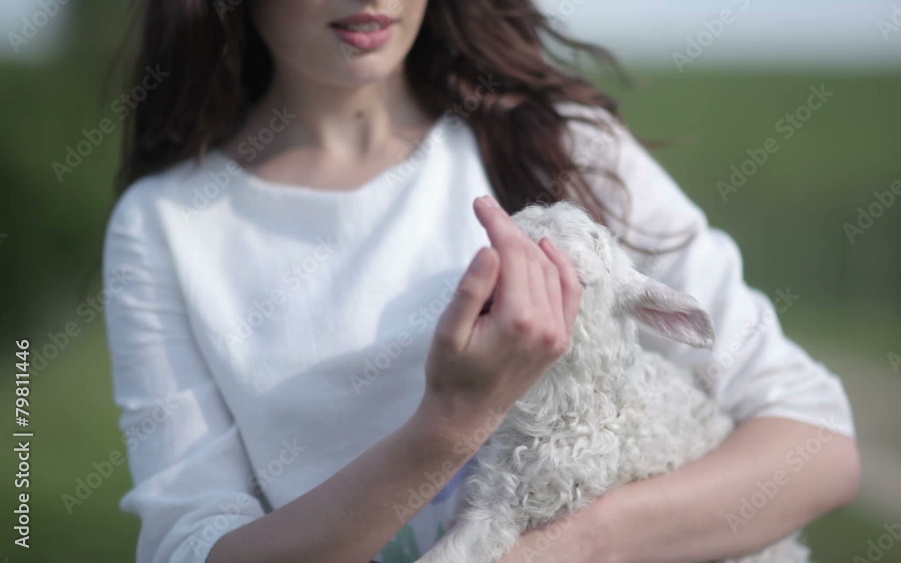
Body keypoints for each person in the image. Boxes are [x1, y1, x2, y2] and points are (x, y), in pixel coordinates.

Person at [103, 1, 860, 562]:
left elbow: (818, 443)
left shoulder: (556, 144)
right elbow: (194, 546)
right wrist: (452, 421)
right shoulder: (168, 224)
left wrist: (563, 545)